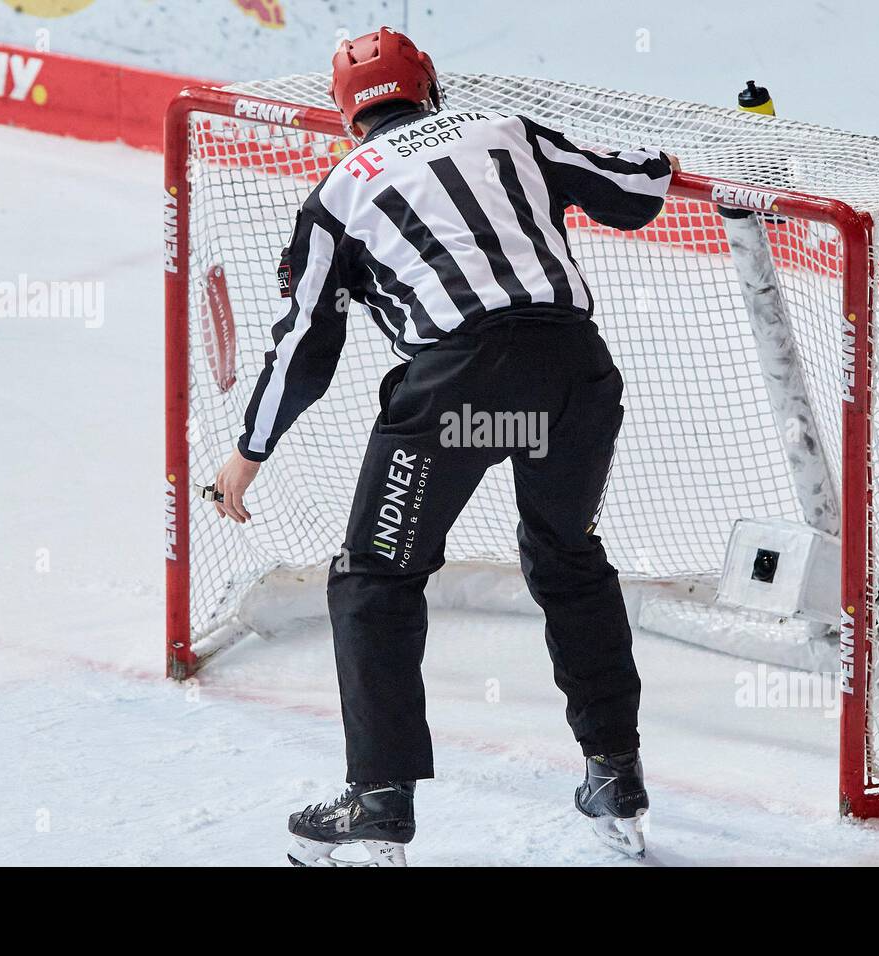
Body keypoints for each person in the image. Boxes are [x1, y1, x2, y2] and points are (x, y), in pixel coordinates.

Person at [212, 26, 678, 866]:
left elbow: (306, 344)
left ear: (345, 113)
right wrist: (654, 157)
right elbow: (638, 193)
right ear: (429, 86)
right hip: (572, 381)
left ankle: (380, 798)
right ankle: (615, 771)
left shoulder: (337, 196)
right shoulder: (507, 129)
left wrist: (251, 447)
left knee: (376, 578)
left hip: (461, 400)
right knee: (565, 555)